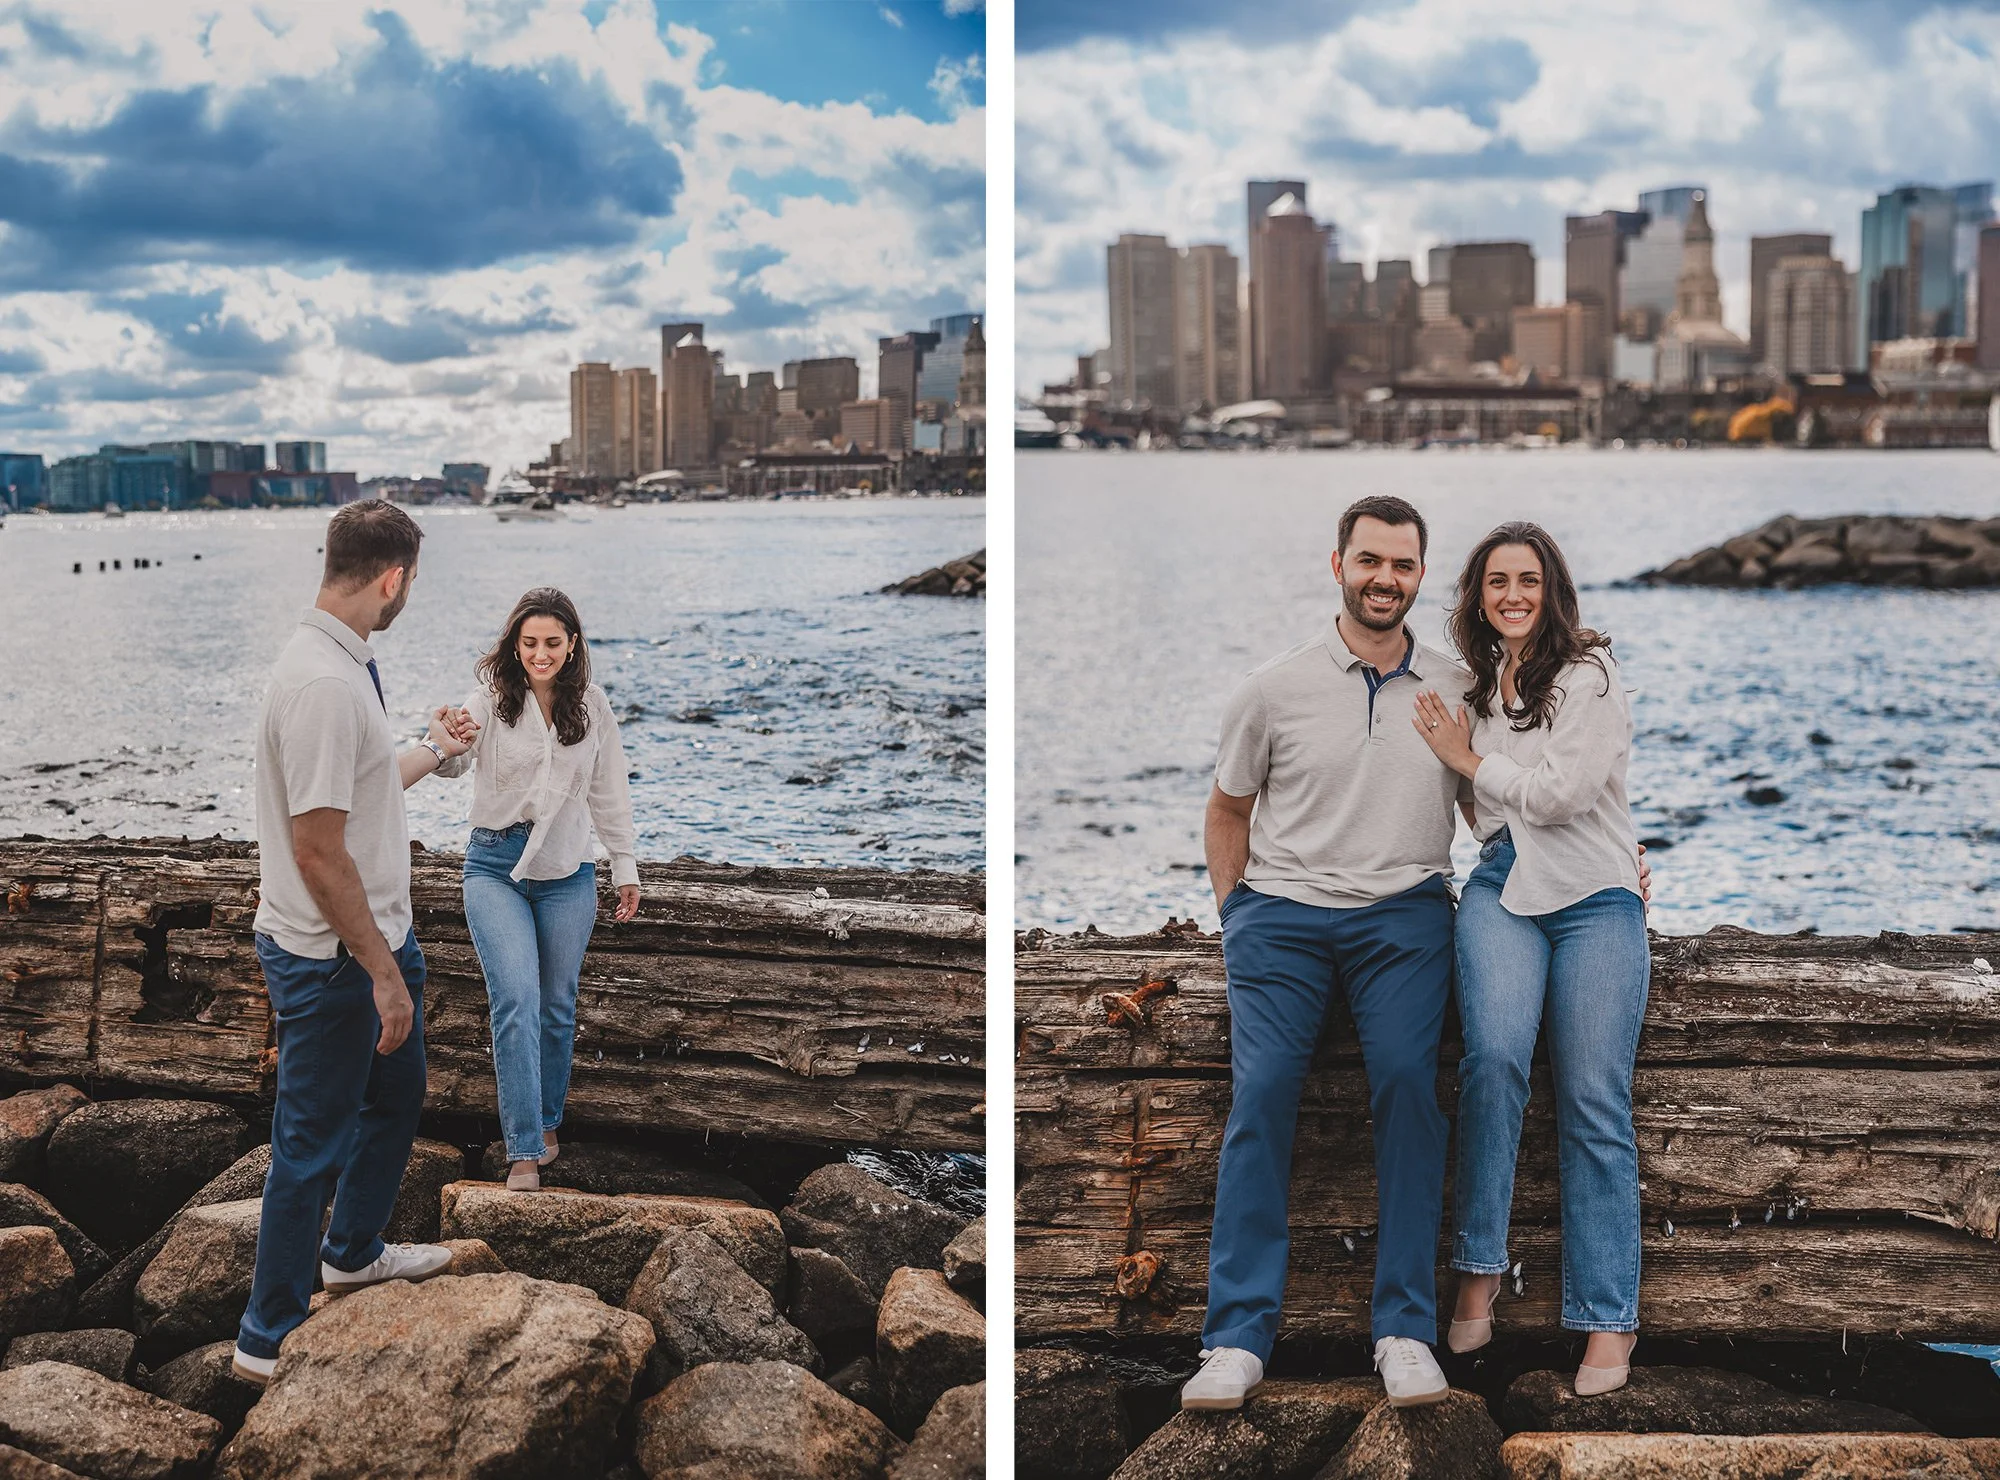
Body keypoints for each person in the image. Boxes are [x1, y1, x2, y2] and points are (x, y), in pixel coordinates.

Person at [1181, 495, 1471, 1412]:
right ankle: (1235, 1338)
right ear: (1338, 565)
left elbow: (1496, 806)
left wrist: (1608, 861)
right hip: (1281, 918)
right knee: (1263, 1090)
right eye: (1370, 561)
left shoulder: (1457, 687)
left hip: (1405, 917)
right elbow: (1227, 811)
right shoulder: (1273, 689)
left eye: (1403, 565)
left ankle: (1404, 1330)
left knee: (1408, 1086)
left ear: (1420, 575)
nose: (1386, 579)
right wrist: (1237, 917)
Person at [234, 500, 470, 1386]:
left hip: (372, 943)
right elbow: (317, 850)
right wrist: (383, 974)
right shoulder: (324, 686)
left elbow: (361, 792)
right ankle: (266, 1337)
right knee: (308, 1147)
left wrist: (432, 750)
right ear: (394, 578)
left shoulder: (345, 661)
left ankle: (354, 1252)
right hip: (335, 958)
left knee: (396, 1097)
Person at [1411, 520, 1649, 1397]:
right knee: (1495, 1061)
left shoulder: (1590, 672)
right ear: (1478, 597)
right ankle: (1478, 1271)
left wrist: (1469, 759)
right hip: (1503, 888)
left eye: (1529, 581)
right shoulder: (1478, 688)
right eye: (1497, 582)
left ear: (1553, 592)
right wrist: (1465, 762)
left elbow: (1562, 795)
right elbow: (1485, 817)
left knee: (1593, 1096)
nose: (1513, 595)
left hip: (1595, 898)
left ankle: (1608, 1318)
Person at [435, 588, 640, 1192]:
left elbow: (609, 788)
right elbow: (454, 760)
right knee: (517, 999)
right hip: (494, 868)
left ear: (572, 644)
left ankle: (548, 1122)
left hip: (567, 873)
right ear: (515, 645)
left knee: (556, 1006)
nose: (541, 654)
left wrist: (624, 864)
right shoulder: (490, 699)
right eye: (530, 643)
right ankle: (523, 1150)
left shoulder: (592, 705)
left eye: (552, 642)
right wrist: (443, 740)